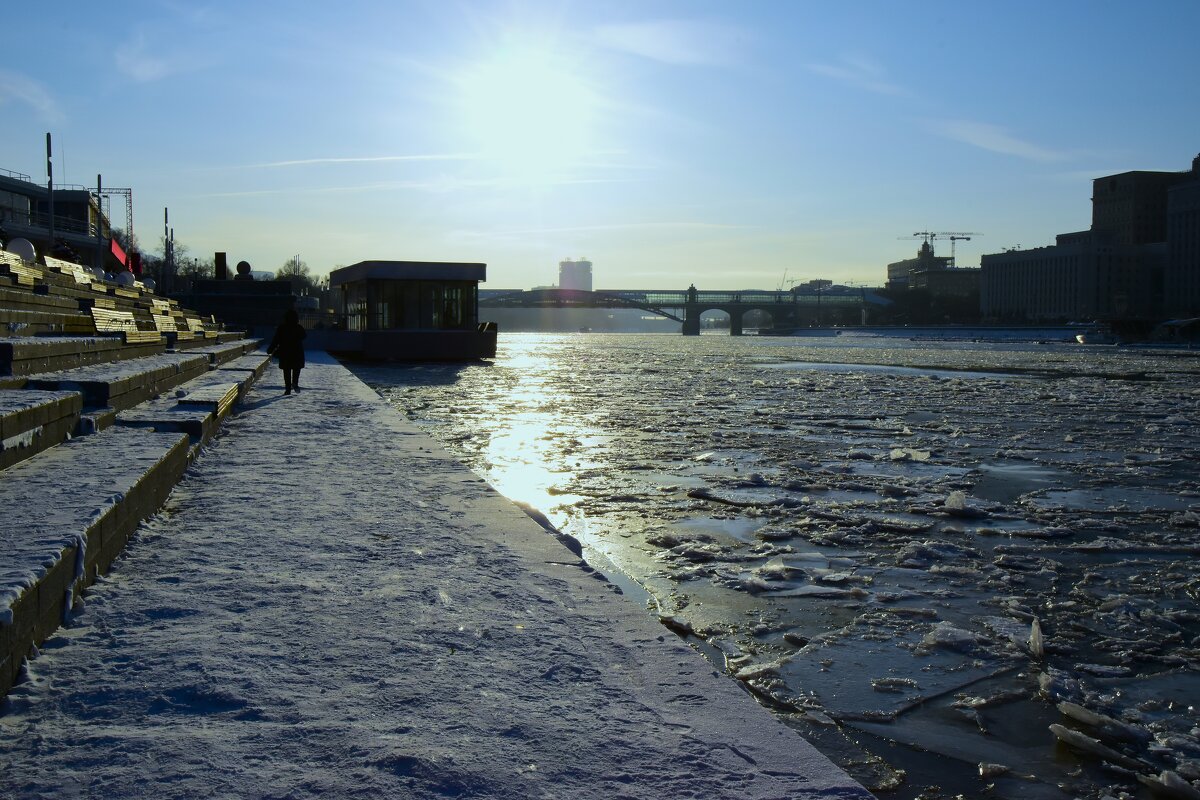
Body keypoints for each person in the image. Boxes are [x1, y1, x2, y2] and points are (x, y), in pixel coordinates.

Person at [268, 308, 307, 394]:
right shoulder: (298, 327)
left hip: (285, 352)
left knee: (287, 370)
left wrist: (270, 349)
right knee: (296, 369)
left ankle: (288, 388)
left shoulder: (282, 327)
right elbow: (304, 336)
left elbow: (276, 339)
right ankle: (295, 383)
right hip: (297, 352)